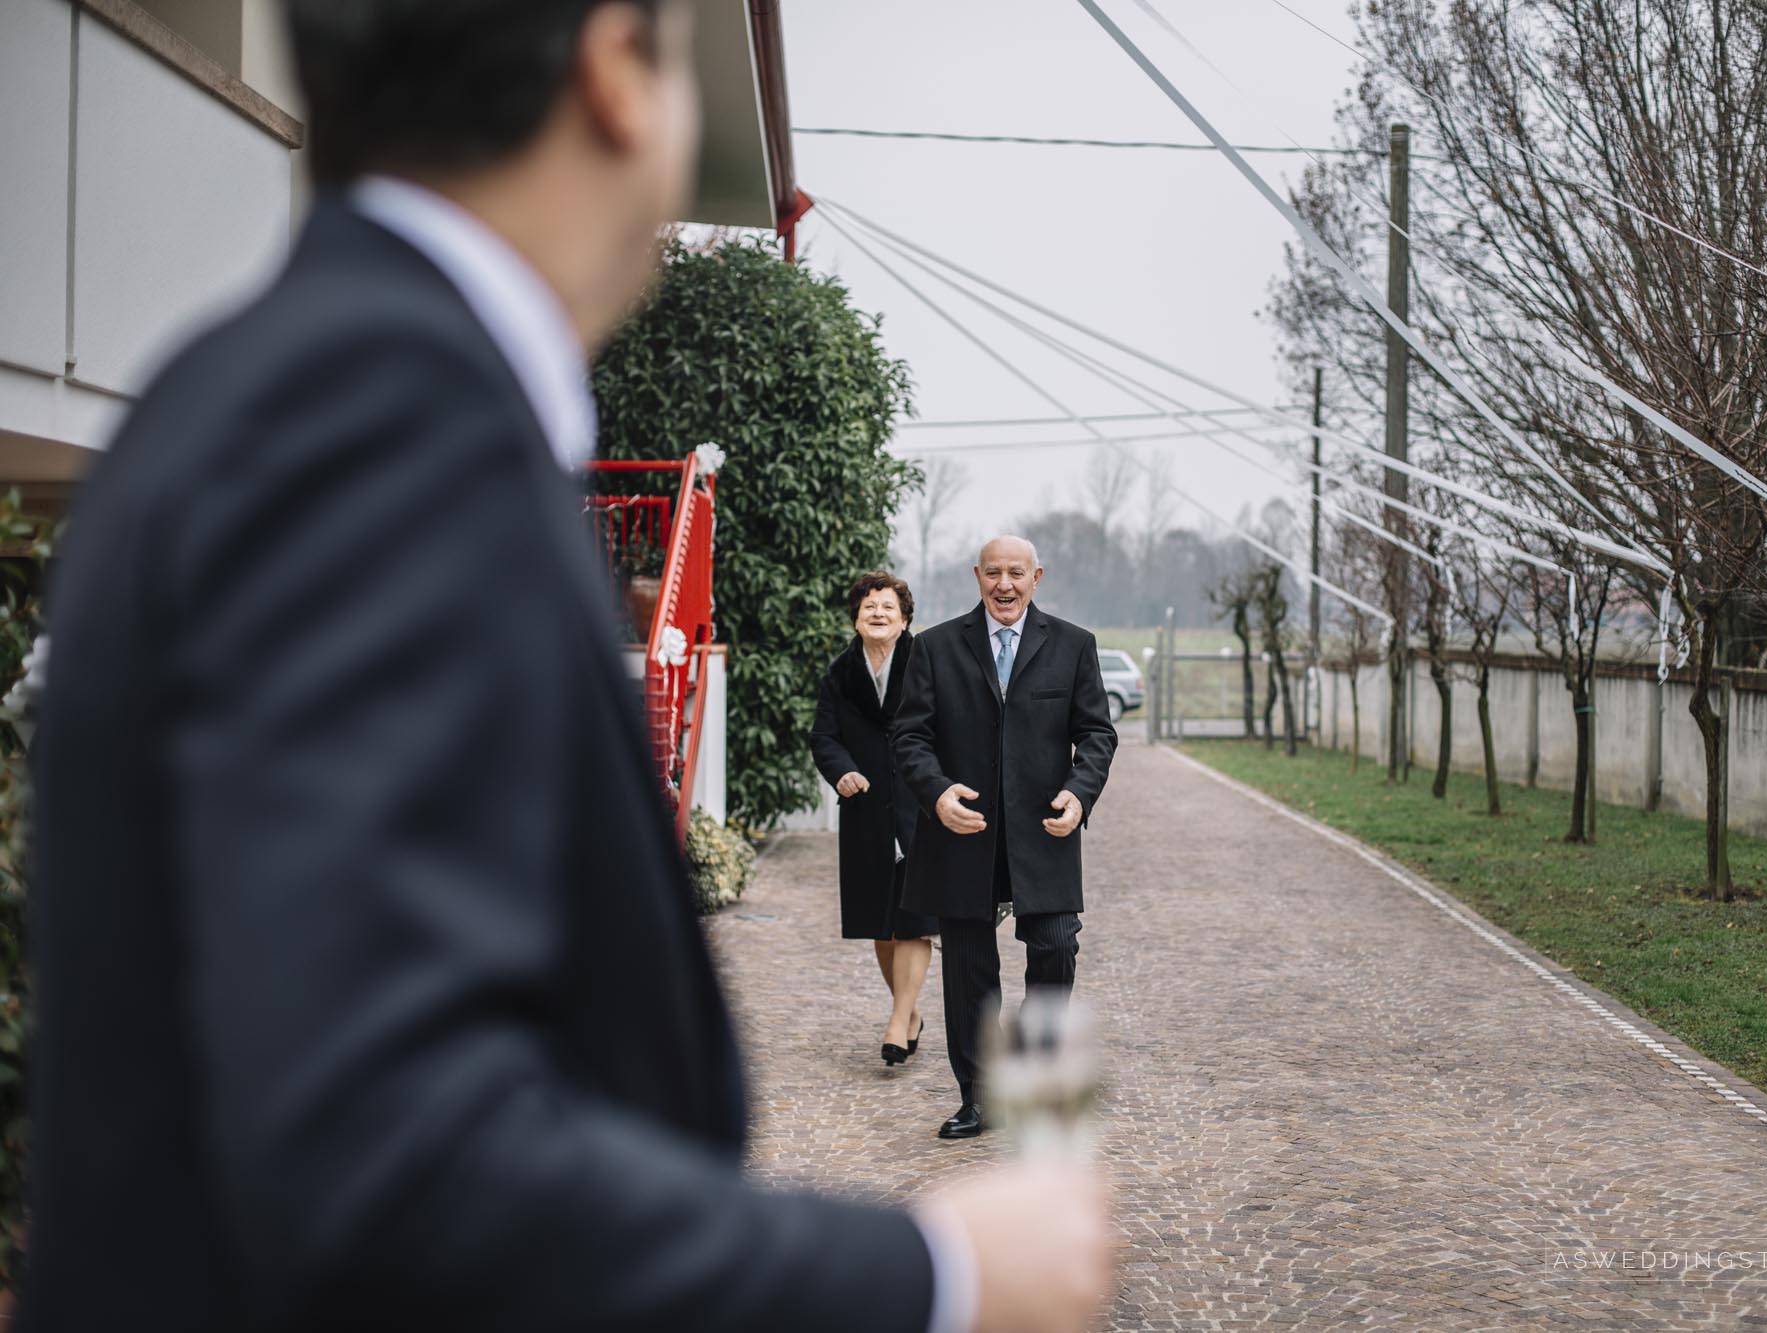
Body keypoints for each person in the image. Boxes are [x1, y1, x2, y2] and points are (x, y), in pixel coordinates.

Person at [22, 3, 1108, 1329]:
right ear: (612, 70)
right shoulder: (378, 426)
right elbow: (382, 1160)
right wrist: (934, 1280)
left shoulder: (276, 390)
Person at [894, 536, 1119, 1140]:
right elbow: (909, 737)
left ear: (1036, 576)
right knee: (969, 970)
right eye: (993, 573)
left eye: (1015, 573)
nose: (1004, 584)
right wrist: (938, 794)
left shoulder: (1073, 646)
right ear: (977, 576)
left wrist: (1080, 791)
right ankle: (979, 1097)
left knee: (1056, 945)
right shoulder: (935, 647)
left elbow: (1096, 734)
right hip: (959, 835)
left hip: (1043, 833)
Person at [811, 572, 937, 1065]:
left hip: (919, 806)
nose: (878, 614)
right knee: (882, 927)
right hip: (866, 811)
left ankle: (897, 1019)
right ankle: (911, 1013)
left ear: (905, 619)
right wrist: (842, 772)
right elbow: (824, 736)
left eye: (888, 607)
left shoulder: (926, 664)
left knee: (915, 922)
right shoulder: (841, 673)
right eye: (869, 608)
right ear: (856, 618)